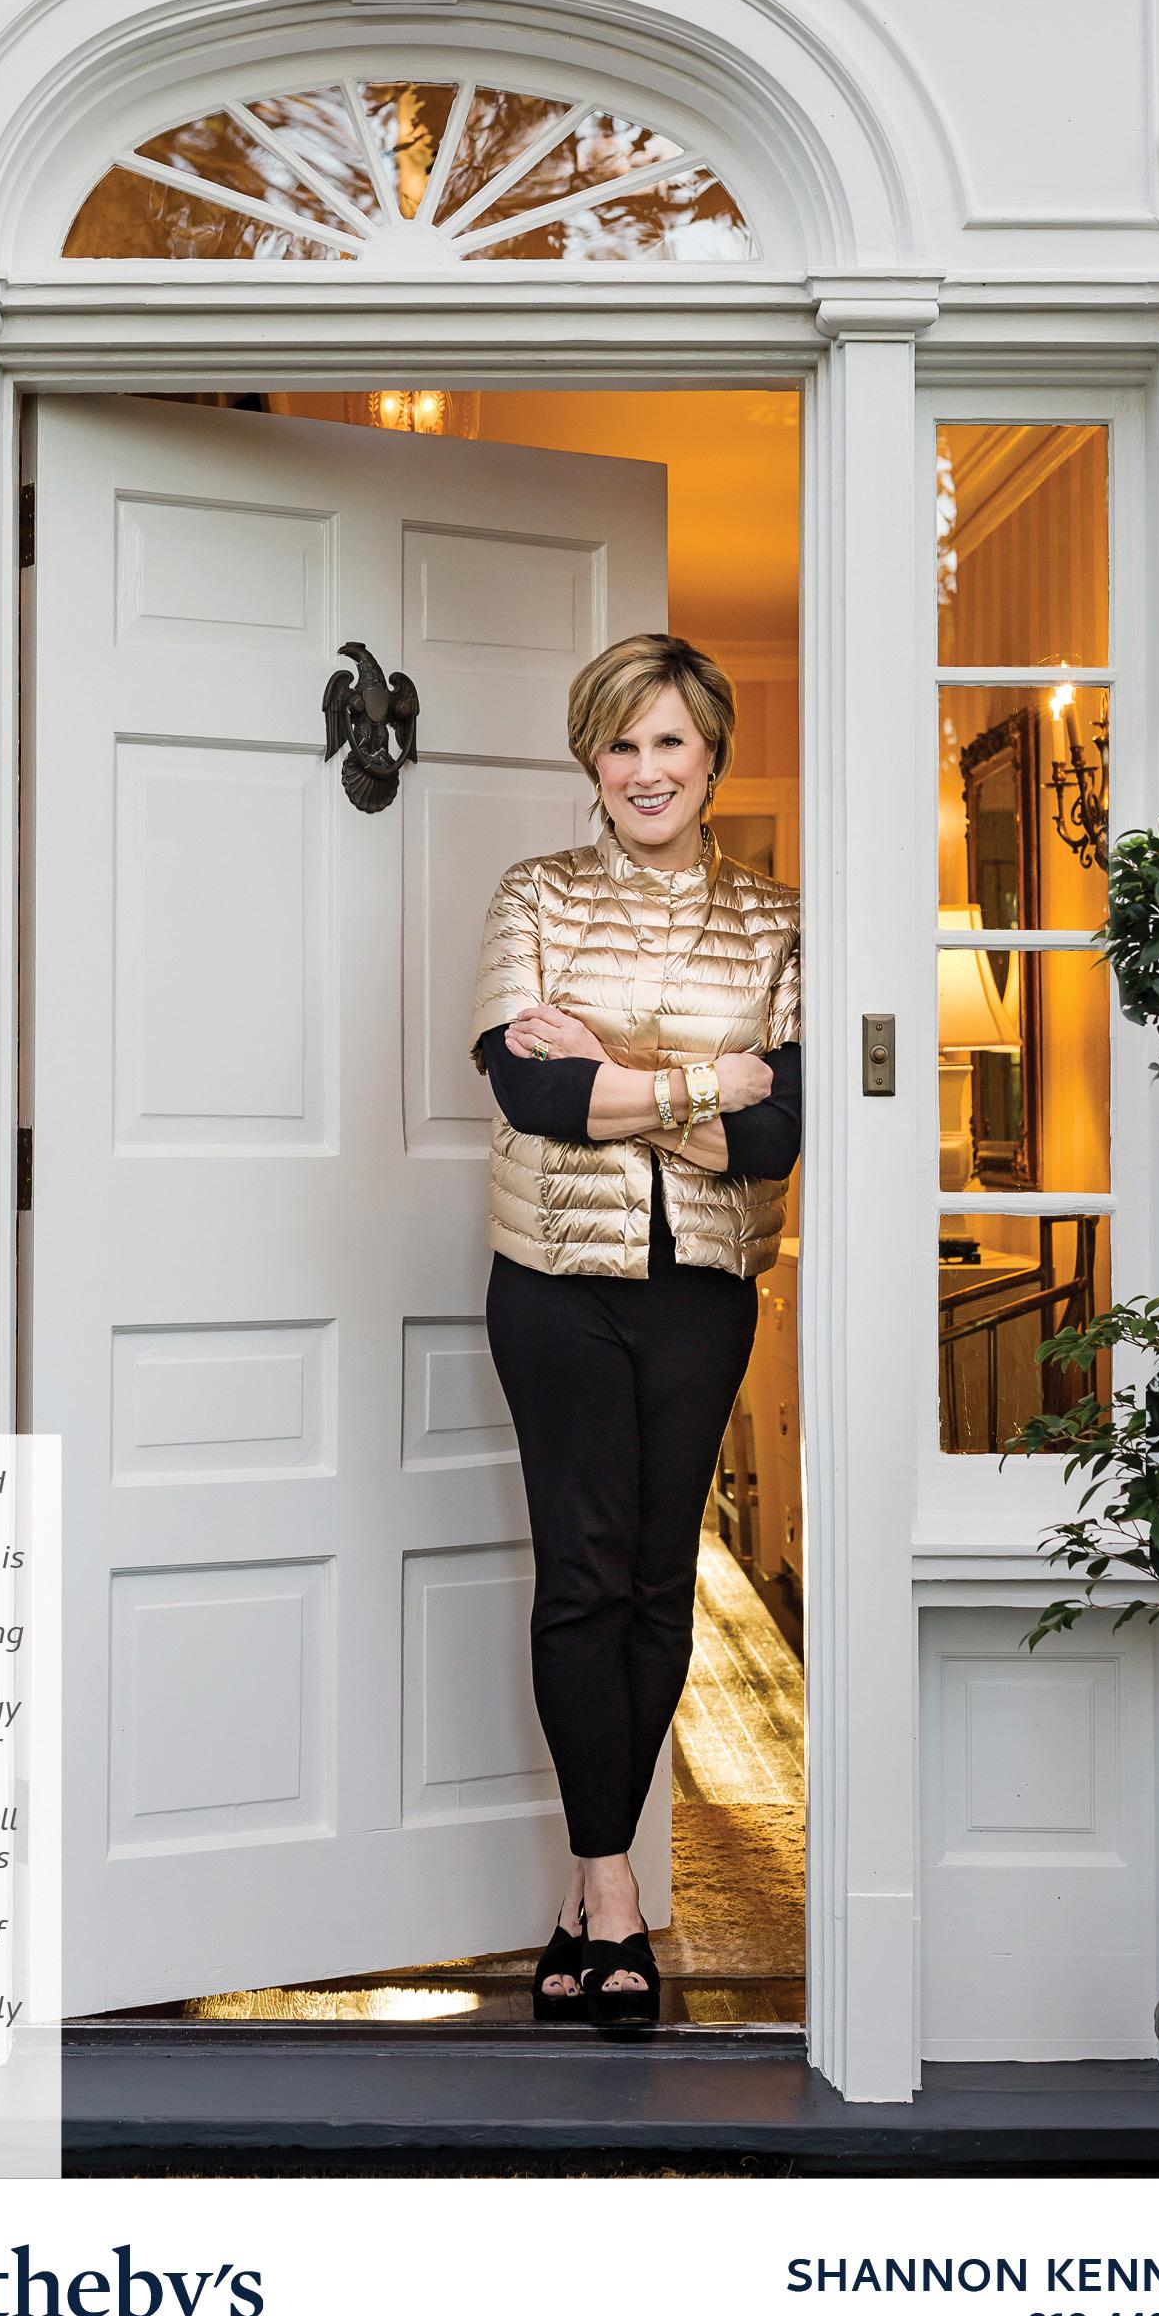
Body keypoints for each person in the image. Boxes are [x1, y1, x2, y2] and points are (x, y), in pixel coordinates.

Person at [472, 634, 801, 2026]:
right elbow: (531, 1099)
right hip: (554, 1283)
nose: (647, 769)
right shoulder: (534, 896)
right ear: (591, 760)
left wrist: (615, 1069)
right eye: (622, 743)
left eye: (671, 741)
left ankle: (582, 1898)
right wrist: (707, 1082)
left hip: (701, 1292)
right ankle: (612, 1888)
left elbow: (777, 1134)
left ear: (711, 756)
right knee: (582, 1579)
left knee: (661, 1584)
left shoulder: (779, 923)